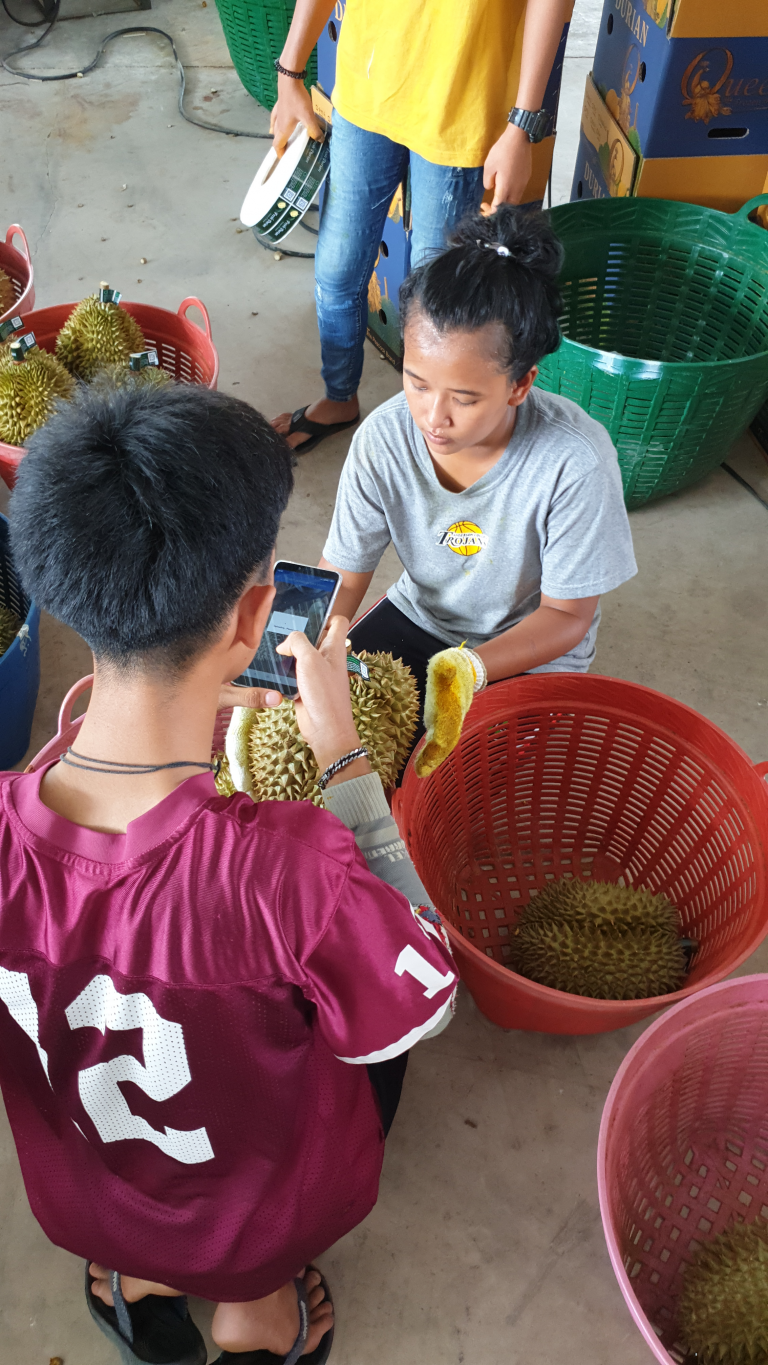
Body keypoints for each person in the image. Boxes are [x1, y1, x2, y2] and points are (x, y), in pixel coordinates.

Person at [0, 383, 456, 1365]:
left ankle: (140, 1278)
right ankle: (256, 1309)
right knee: (277, 1199)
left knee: (127, 1218)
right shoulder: (294, 871)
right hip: (262, 1219)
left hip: (87, 1195)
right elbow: (426, 993)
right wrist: (345, 762)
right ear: (257, 617)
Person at [319, 206, 638, 732]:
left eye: (464, 399)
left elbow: (568, 616)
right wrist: (313, 636)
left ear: (520, 384)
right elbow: (344, 573)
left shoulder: (574, 462)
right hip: (422, 616)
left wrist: (470, 668)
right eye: (417, 382)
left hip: (532, 645)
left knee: (467, 776)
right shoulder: (383, 439)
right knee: (328, 736)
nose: (432, 416)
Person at [270, 0, 572, 452]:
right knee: (335, 273)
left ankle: (424, 430)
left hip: (460, 103)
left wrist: (522, 125)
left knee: (435, 305)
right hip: (366, 82)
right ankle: (338, 398)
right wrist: (289, 71)